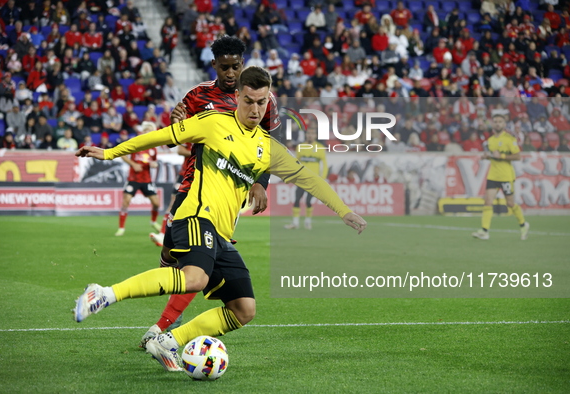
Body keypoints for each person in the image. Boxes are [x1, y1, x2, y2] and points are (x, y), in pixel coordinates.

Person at [73, 66, 367, 372]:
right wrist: (109, 154)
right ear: (237, 96)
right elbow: (159, 137)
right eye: (249, 100)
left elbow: (308, 178)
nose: (255, 108)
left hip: (221, 234)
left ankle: (169, 341)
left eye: (262, 102)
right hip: (196, 216)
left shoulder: (267, 147)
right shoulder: (213, 122)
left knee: (244, 309)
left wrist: (343, 210)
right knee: (195, 277)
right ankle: (104, 294)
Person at [146, 36, 280, 347]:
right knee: (169, 251)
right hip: (193, 180)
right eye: (225, 67)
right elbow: (172, 139)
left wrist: (261, 181)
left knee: (198, 260)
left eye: (236, 66)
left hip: (227, 189)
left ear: (242, 65)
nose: (231, 73)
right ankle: (168, 322)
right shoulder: (197, 96)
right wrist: (174, 122)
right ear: (214, 66)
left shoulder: (262, 101)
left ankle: (166, 327)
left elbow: (270, 149)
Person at [472, 114, 529, 241]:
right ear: (492, 124)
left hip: (506, 176)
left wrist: (501, 156)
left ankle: (523, 224)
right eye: (496, 121)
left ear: (504, 124)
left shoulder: (509, 139)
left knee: (510, 203)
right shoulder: (491, 140)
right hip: (493, 175)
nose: (498, 124)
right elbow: (494, 155)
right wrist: (488, 156)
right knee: (488, 202)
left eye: (500, 121)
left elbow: (518, 156)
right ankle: (484, 231)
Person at [115, 121, 162, 237]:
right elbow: (122, 154)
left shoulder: (153, 149)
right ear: (143, 131)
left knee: (156, 203)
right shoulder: (136, 143)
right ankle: (121, 228)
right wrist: (133, 164)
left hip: (146, 179)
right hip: (133, 178)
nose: (148, 133)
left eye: (150, 131)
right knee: (126, 202)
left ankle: (153, 221)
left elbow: (154, 162)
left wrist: (154, 164)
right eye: (146, 130)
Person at [285, 126, 328, 230]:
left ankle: (308, 222)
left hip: (313, 180)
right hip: (301, 179)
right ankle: (295, 223)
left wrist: (322, 177)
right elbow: (295, 162)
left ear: (316, 135)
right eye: (309, 133)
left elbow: (324, 164)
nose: (310, 135)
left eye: (312, 133)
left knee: (308, 201)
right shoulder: (300, 147)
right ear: (306, 134)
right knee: (297, 200)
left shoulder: (320, 148)